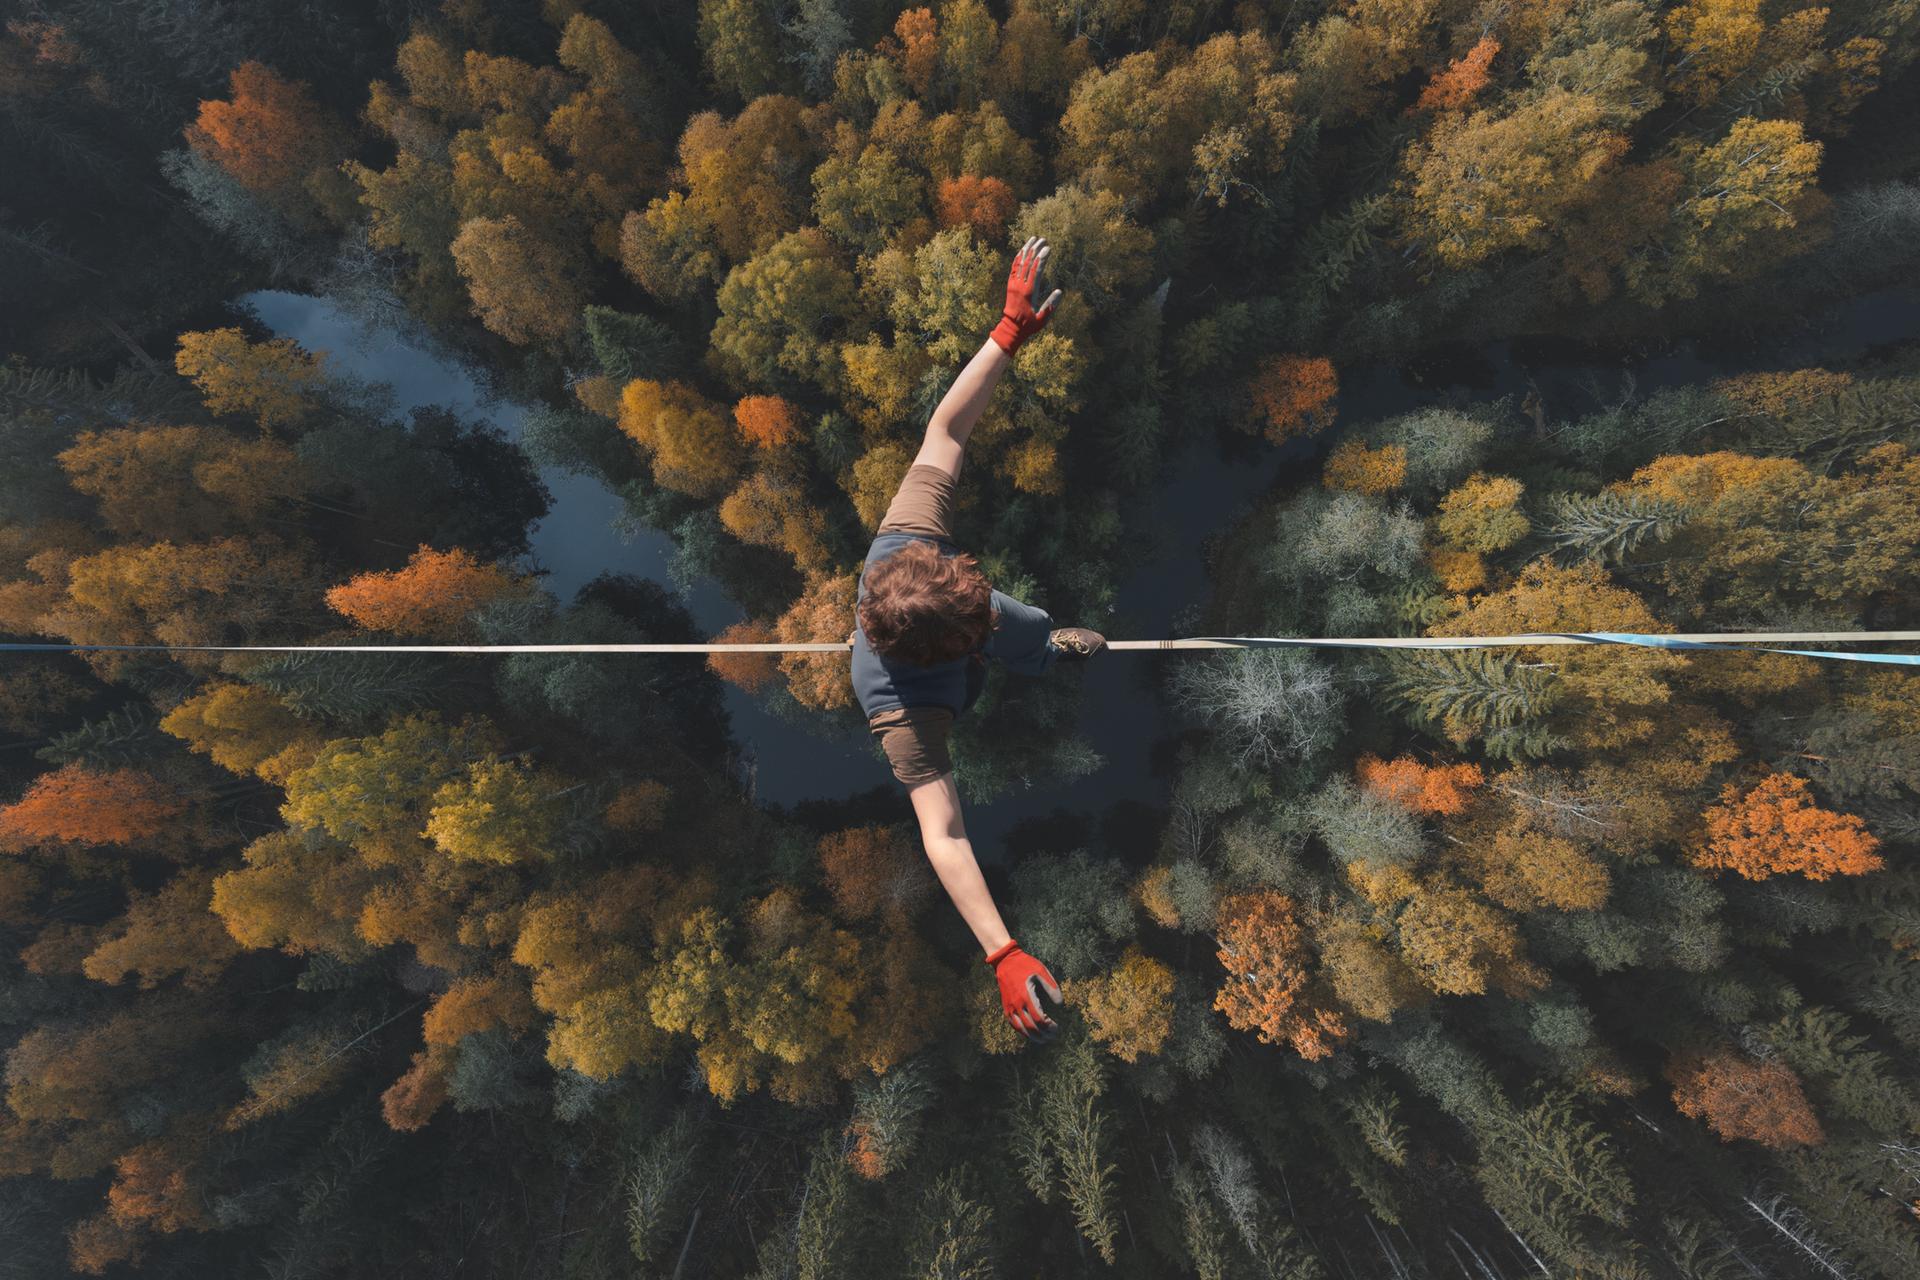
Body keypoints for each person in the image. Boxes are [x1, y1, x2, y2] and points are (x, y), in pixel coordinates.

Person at [849, 237, 1106, 1046]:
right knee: (1016, 635)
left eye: (975, 597)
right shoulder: (904, 714)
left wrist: (1005, 335)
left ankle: (1042, 648)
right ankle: (1032, 653)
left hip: (938, 629)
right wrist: (1001, 950)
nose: (983, 605)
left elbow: (946, 431)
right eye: (975, 624)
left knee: (1024, 628)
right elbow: (945, 835)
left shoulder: (904, 550)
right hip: (942, 687)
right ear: (950, 650)